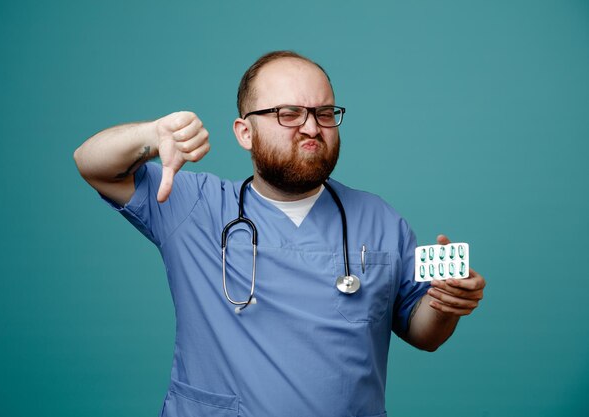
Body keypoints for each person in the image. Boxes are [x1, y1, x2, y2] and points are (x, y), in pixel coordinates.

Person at [74, 50, 486, 417]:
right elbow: (92, 163)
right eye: (288, 113)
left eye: (324, 113)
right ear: (244, 132)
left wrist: (446, 303)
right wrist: (149, 137)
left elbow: (422, 331)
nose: (311, 127)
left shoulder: (379, 219)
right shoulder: (192, 206)